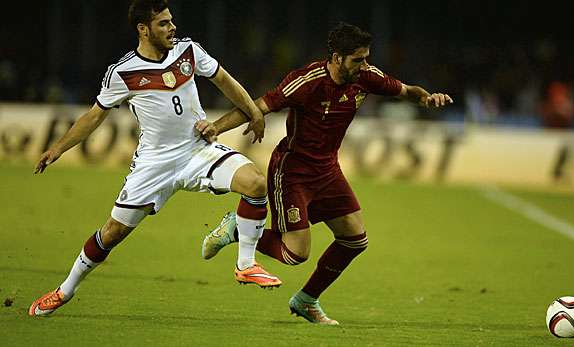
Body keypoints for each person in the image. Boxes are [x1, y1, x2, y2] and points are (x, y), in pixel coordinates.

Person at [28, 0, 281, 317]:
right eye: (163, 23)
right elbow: (94, 117)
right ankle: (64, 291)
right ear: (143, 29)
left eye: (171, 21)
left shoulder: (188, 51)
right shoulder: (123, 72)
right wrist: (58, 148)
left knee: (256, 184)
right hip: (153, 165)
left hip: (196, 150)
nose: (172, 27)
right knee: (112, 234)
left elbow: (225, 81)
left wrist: (254, 113)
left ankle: (245, 263)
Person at [200, 22, 453, 325]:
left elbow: (406, 91)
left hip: (327, 170)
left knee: (354, 239)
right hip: (292, 171)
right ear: (336, 57)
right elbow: (259, 105)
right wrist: (217, 127)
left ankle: (306, 300)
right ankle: (238, 228)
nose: (364, 65)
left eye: (366, 58)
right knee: (296, 254)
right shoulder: (307, 81)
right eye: (357, 59)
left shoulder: (366, 77)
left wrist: (426, 98)